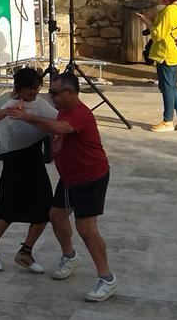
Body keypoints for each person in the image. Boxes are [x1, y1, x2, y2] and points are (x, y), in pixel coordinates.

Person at [8, 71, 116, 302]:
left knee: (86, 228)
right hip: (69, 177)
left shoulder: (81, 114)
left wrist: (27, 117)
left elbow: (59, 129)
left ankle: (107, 279)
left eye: (54, 92)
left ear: (69, 92)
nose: (50, 96)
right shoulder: (63, 109)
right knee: (56, 215)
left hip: (90, 177)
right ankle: (70, 256)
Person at [0, 67, 54, 273]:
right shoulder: (12, 104)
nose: (34, 92)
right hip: (15, 163)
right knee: (8, 209)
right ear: (19, 88)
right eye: (30, 89)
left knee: (44, 208)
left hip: (35, 160)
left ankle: (26, 251)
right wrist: (8, 111)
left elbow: (54, 120)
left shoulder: (40, 104)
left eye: (37, 88)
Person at [137, 0, 177, 133]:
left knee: (166, 88)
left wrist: (147, 21)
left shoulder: (169, 11)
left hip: (167, 54)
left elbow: (158, 35)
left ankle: (167, 121)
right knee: (172, 87)